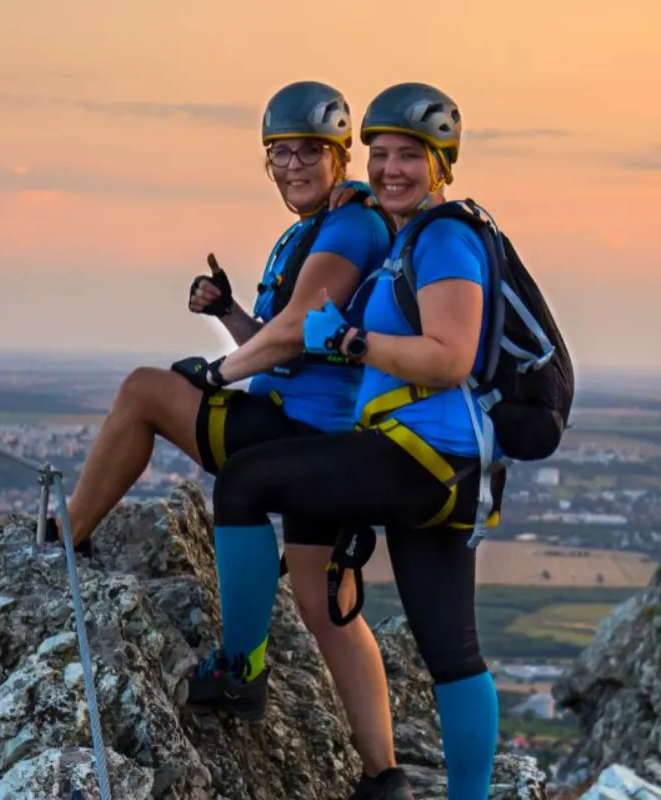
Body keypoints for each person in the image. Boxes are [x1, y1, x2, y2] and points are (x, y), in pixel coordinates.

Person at [42, 80, 402, 778]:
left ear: (339, 155)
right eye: (279, 153)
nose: (292, 166)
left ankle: (68, 536)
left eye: (308, 151)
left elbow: (294, 332)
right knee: (326, 610)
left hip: (298, 426)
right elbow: (288, 342)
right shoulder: (319, 227)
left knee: (144, 391)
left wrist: (214, 372)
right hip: (319, 434)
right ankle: (384, 777)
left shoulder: (350, 227)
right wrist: (230, 313)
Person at [188, 82, 507, 800]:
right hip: (448, 469)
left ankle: (239, 670)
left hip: (420, 455)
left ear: (442, 164)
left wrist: (355, 341)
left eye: (409, 157)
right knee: (453, 653)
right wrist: (352, 197)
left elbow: (450, 357)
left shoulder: (446, 238)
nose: (391, 169)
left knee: (245, 481)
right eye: (380, 155)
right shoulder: (408, 236)